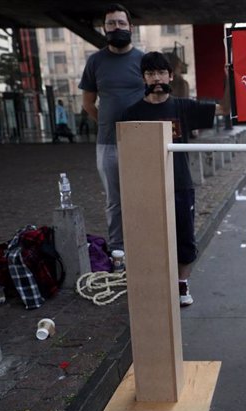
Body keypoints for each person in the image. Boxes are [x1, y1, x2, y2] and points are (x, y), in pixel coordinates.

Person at [122, 52, 228, 307]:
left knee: (185, 239)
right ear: (143, 78)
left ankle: (181, 285)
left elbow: (224, 108)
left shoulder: (184, 107)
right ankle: (155, 285)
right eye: (150, 74)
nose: (156, 78)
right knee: (150, 238)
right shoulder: (132, 113)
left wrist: (228, 76)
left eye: (160, 73)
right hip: (146, 188)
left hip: (180, 184)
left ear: (170, 76)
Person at [79, 3, 145, 251]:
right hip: (108, 143)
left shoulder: (144, 61)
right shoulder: (95, 61)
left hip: (141, 142)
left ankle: (144, 245)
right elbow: (87, 103)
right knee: (114, 201)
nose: (116, 28)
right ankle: (119, 251)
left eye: (121, 23)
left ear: (130, 27)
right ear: (104, 28)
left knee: (143, 195)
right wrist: (106, 123)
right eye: (111, 24)